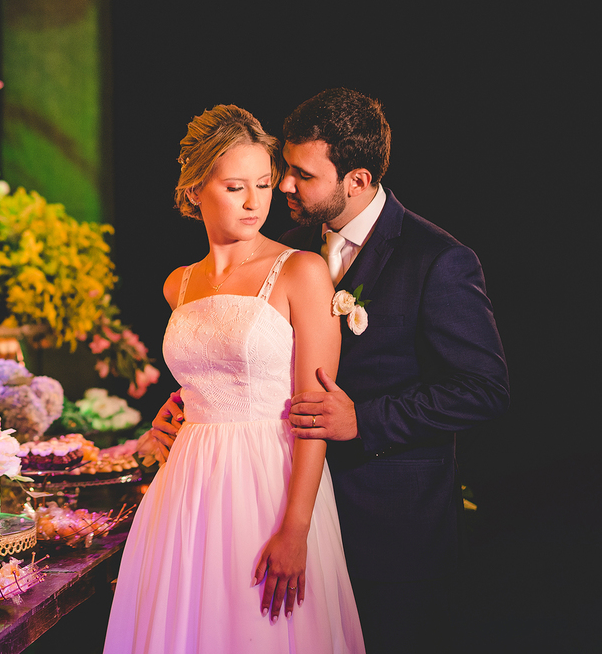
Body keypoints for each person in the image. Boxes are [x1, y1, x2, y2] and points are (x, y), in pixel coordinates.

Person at [143, 88, 509, 653]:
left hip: (388, 517)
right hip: (262, 491)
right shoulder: (286, 247)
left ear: (356, 180)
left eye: (300, 175)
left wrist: (364, 419)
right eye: (282, 171)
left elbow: (484, 390)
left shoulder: (435, 259)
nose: (284, 187)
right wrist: (195, 399)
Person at [106, 106, 364, 654]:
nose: (255, 202)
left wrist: (295, 528)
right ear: (195, 190)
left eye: (264, 185)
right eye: (235, 187)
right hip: (187, 488)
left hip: (269, 482)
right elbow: (205, 375)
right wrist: (177, 407)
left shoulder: (301, 271)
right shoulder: (178, 284)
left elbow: (314, 412)